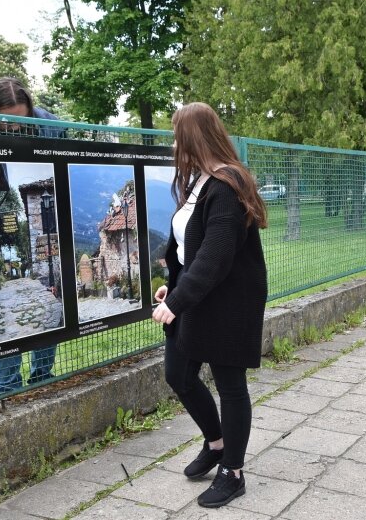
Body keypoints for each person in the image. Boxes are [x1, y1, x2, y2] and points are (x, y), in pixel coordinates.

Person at [151, 102, 268, 508]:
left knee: (230, 384)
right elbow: (188, 247)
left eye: (176, 136)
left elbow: (215, 257)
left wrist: (179, 299)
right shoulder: (199, 182)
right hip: (196, 295)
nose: (173, 144)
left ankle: (233, 473)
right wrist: (173, 286)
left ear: (193, 137)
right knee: (178, 374)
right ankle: (217, 444)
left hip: (229, 301)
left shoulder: (227, 185)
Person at [0, 77, 65, 394]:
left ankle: (42, 376)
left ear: (31, 113)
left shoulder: (50, 125)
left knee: (51, 316)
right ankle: (8, 388)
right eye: (6, 127)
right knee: (8, 334)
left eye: (21, 125)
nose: (14, 133)